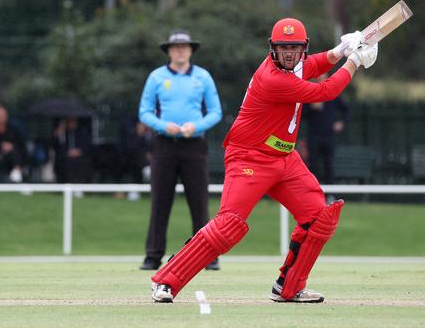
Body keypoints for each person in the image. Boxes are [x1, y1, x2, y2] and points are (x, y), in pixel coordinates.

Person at [149, 18, 378, 303]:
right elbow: (325, 91)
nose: (290, 54)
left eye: (295, 49)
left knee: (319, 217)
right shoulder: (273, 78)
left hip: (284, 157)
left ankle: (289, 287)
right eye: (284, 48)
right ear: (273, 49)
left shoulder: (294, 65)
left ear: (302, 49)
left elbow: (315, 65)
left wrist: (339, 51)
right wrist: (354, 60)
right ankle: (165, 281)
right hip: (249, 157)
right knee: (228, 226)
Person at [138, 29, 223, 271]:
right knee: (160, 201)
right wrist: (165, 126)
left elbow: (215, 111)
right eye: (176, 47)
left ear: (191, 50)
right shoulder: (156, 77)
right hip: (164, 144)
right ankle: (153, 256)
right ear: (168, 51)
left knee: (199, 202)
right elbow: (144, 111)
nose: (180, 51)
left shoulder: (203, 77)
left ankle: (207, 255)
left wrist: (195, 127)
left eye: (184, 47)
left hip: (194, 145)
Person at [302, 97, 350, 191]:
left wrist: (341, 122)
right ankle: (312, 192)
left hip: (329, 136)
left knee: (329, 166)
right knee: (313, 165)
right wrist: (311, 107)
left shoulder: (332, 95)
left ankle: (330, 194)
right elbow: (300, 114)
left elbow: (346, 110)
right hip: (313, 136)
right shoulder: (310, 94)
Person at [0, 105, 27, 183]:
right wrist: (1, 145)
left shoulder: (13, 129)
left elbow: (21, 144)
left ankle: (17, 171)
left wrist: (11, 146)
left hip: (13, 156)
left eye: (2, 115)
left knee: (16, 152)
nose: (0, 118)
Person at [52, 116, 92, 184]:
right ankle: (68, 183)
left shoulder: (82, 133)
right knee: (66, 163)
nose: (71, 124)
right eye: (69, 122)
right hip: (65, 157)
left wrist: (79, 151)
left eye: (73, 122)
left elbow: (87, 146)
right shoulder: (62, 133)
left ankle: (79, 184)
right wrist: (57, 135)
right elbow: (57, 147)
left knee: (82, 163)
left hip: (80, 158)